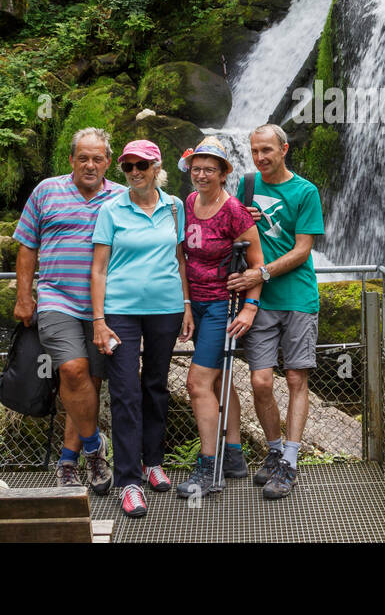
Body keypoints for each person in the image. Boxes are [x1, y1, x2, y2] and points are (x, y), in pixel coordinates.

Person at [13, 128, 124, 493]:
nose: (89, 165)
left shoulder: (121, 198)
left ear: (108, 162)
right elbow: (28, 245)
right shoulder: (47, 191)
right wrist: (24, 297)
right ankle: (95, 450)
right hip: (56, 298)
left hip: (103, 307)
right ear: (72, 159)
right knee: (73, 371)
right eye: (83, 158)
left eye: (97, 158)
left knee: (88, 382)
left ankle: (67, 461)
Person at [91, 140, 191, 519]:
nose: (135, 171)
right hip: (120, 312)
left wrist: (186, 306)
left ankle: (153, 462)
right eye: (129, 166)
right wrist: (99, 320)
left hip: (166, 308)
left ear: (156, 167)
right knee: (125, 391)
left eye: (142, 165)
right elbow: (98, 268)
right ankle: (129, 480)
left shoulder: (175, 207)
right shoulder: (111, 209)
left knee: (155, 386)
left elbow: (180, 259)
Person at [226, 124, 325, 500]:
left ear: (284, 149)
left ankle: (291, 461)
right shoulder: (247, 185)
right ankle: (273, 449)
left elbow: (303, 250)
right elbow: (236, 233)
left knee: (297, 379)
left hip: (298, 298)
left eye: (267, 150)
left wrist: (262, 271)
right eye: (254, 151)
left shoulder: (305, 191)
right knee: (261, 381)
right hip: (259, 301)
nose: (260, 157)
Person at [175, 137, 264, 497]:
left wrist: (249, 307)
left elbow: (256, 266)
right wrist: (185, 305)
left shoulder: (235, 212)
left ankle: (209, 469)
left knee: (197, 383)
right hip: (195, 303)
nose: (201, 174)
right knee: (219, 379)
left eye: (209, 169)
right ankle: (234, 454)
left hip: (221, 307)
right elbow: (183, 257)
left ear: (224, 172)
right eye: (196, 168)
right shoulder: (189, 203)